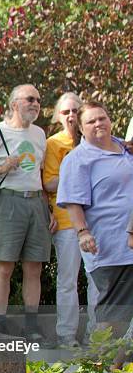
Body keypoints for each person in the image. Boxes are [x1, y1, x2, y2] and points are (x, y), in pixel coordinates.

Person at [0, 84, 56, 343]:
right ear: (14, 103)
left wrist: (48, 207)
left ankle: (31, 325)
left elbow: (39, 173)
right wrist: (0, 168)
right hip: (8, 203)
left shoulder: (39, 134)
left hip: (36, 203)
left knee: (34, 267)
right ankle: (0, 322)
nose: (36, 104)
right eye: (30, 99)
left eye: (38, 99)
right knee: (4, 266)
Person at [57, 101, 133, 350]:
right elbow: (72, 201)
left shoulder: (125, 147)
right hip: (110, 248)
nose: (99, 123)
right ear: (81, 127)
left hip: (130, 245)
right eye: (91, 121)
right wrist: (83, 232)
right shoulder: (78, 159)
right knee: (114, 319)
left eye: (102, 118)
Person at [43, 93, 99, 347]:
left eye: (76, 110)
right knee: (67, 281)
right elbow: (48, 182)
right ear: (57, 116)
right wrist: (74, 170)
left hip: (95, 223)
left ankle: (96, 335)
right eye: (66, 112)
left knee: (97, 280)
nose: (71, 116)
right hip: (65, 222)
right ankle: (66, 336)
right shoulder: (53, 144)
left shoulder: (95, 141)